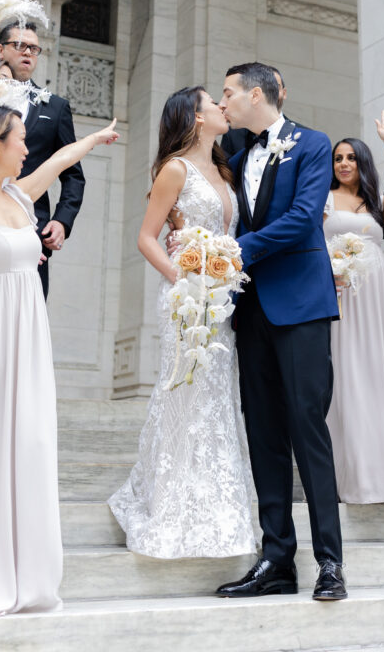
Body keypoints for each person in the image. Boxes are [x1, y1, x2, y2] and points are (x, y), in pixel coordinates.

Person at [0, 32, 118, 617]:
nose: (25, 148)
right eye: (18, 142)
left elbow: (61, 160)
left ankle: (26, 572)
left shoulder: (18, 195)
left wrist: (96, 136)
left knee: (28, 441)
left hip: (26, 335)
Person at [215, 63, 345, 602]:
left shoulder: (312, 143)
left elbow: (303, 216)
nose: (222, 103)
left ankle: (331, 562)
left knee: (306, 429)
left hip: (301, 305)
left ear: (256, 93)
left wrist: (237, 250)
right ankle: (276, 560)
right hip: (251, 311)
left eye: (228, 93)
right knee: (264, 433)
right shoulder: (237, 158)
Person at [108, 86, 255, 558]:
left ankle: (218, 506)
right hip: (186, 299)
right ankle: (170, 504)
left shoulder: (227, 168)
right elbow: (147, 237)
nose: (223, 108)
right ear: (195, 116)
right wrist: (183, 281)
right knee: (184, 389)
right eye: (215, 103)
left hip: (223, 300)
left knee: (215, 396)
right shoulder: (175, 169)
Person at [324, 114, 384, 511]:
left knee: (377, 373)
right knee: (346, 376)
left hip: (375, 294)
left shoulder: (376, 203)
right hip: (339, 293)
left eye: (350, 158)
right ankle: (350, 475)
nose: (344, 163)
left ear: (362, 163)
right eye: (338, 158)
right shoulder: (322, 199)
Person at [0, 21, 85, 298]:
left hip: (33, 228)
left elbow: (73, 175)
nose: (28, 53)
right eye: (19, 45)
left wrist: (62, 221)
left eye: (34, 48)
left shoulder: (55, 108)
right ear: (0, 49)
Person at [221, 66, 288, 158]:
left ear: (255, 96)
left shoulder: (308, 143)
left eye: (229, 95)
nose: (221, 104)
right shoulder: (236, 161)